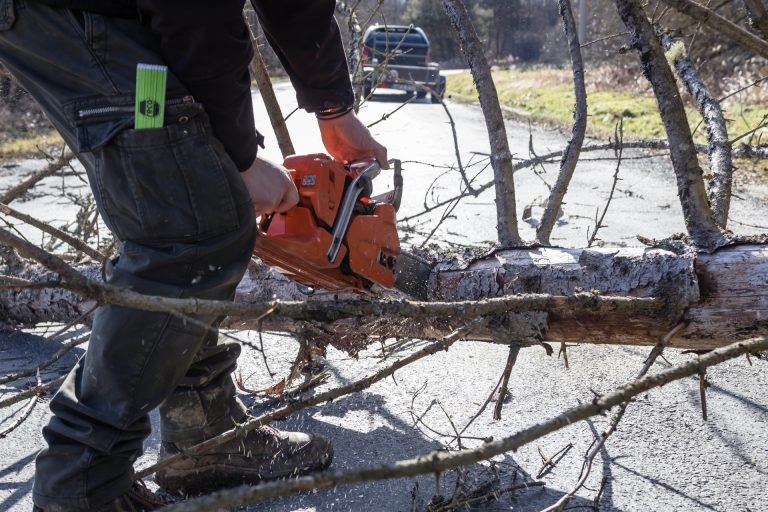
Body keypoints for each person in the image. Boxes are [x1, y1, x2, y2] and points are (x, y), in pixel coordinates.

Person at [0, 0, 388, 510]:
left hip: (117, 20)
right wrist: (243, 157)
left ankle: (204, 440)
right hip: (74, 13)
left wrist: (332, 108)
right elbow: (195, 10)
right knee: (190, 237)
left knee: (181, 201)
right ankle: (81, 486)